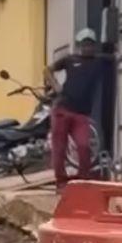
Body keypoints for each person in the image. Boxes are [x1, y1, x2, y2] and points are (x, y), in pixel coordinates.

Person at [45, 28, 107, 189]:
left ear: (94, 46)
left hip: (81, 114)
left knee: (84, 146)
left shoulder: (99, 62)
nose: (87, 48)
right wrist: (56, 85)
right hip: (63, 110)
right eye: (84, 44)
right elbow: (47, 70)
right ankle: (61, 182)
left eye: (90, 44)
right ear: (79, 45)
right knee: (59, 147)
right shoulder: (70, 60)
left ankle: (82, 180)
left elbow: (120, 59)